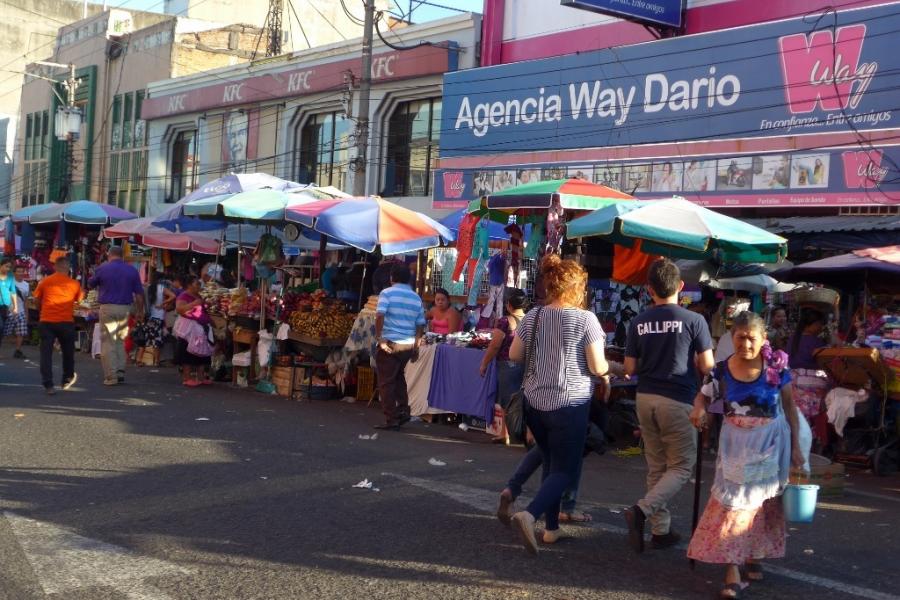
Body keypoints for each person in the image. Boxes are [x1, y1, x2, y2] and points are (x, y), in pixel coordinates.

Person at [687, 311, 805, 599]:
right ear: (732, 338)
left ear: (763, 338)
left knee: (762, 502)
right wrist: (699, 408)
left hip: (770, 443)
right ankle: (732, 571)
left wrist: (799, 449)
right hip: (735, 444)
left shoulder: (777, 367)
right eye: (740, 338)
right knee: (735, 504)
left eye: (752, 338)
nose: (746, 344)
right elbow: (704, 394)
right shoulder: (721, 369)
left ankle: (754, 554)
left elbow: (789, 407)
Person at [502, 255, 608, 554]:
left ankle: (551, 530)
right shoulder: (585, 319)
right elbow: (598, 367)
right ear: (577, 287)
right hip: (569, 403)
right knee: (565, 468)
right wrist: (610, 369)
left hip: (535, 403)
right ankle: (530, 514)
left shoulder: (533, 316)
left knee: (550, 461)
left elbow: (514, 354)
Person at [623, 258, 714, 553]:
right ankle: (642, 510)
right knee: (681, 467)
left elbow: (629, 367)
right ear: (681, 286)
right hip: (678, 399)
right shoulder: (694, 321)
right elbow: (707, 365)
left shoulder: (638, 322)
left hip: (645, 396)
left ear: (649, 289)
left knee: (657, 465)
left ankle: (660, 531)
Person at [374, 263, 426, 431]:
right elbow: (420, 325)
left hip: (390, 342)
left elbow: (380, 315)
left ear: (391, 277)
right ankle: (403, 410)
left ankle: (392, 418)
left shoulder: (386, 293)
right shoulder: (416, 297)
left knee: (386, 382)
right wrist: (416, 346)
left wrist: (380, 338)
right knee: (398, 378)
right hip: (408, 344)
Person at [89, 246, 144, 386]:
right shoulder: (132, 270)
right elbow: (139, 294)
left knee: (109, 342)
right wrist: (140, 311)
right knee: (120, 340)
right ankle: (120, 372)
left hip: (108, 308)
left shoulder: (103, 268)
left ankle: (111, 375)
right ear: (122, 255)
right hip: (125, 308)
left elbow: (91, 283)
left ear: (109, 254)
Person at [32, 257, 83, 394]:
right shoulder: (75, 284)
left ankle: (48, 385)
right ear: (68, 268)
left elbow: (36, 299)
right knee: (68, 353)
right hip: (66, 321)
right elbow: (79, 301)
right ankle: (66, 379)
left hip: (47, 321)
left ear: (55, 267)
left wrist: (41, 310)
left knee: (46, 354)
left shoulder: (45, 281)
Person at [788, 308, 830, 427]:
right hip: (812, 381)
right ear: (813, 324)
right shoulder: (816, 342)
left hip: (793, 381)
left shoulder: (792, 339)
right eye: (820, 324)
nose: (821, 328)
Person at [174, 275, 213, 386]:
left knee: (202, 352)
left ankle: (200, 377)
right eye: (197, 284)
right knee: (187, 353)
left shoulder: (198, 295)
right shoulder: (184, 295)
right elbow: (179, 309)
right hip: (188, 328)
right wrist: (193, 304)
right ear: (190, 285)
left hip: (200, 327)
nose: (199, 286)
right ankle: (187, 378)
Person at [135, 271, 174, 368]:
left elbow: (140, 300)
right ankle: (156, 361)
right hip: (158, 317)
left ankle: (139, 360)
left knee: (144, 338)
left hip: (148, 317)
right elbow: (173, 296)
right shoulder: (162, 288)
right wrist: (163, 303)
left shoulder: (147, 288)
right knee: (157, 339)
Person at [2, 263, 29, 358]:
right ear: (14, 273)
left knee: (20, 332)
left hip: (20, 312)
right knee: (4, 333)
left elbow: (25, 301)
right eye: (18, 271)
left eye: (22, 271)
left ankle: (18, 350)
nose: (20, 273)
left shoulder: (26, 285)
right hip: (8, 312)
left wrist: (26, 314)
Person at [0, 258, 16, 342]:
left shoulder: (10, 276)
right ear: (1, 265)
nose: (8, 269)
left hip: (6, 306)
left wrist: (14, 306)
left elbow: (13, 292)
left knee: (2, 330)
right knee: (1, 326)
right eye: (6, 266)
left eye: (9, 267)